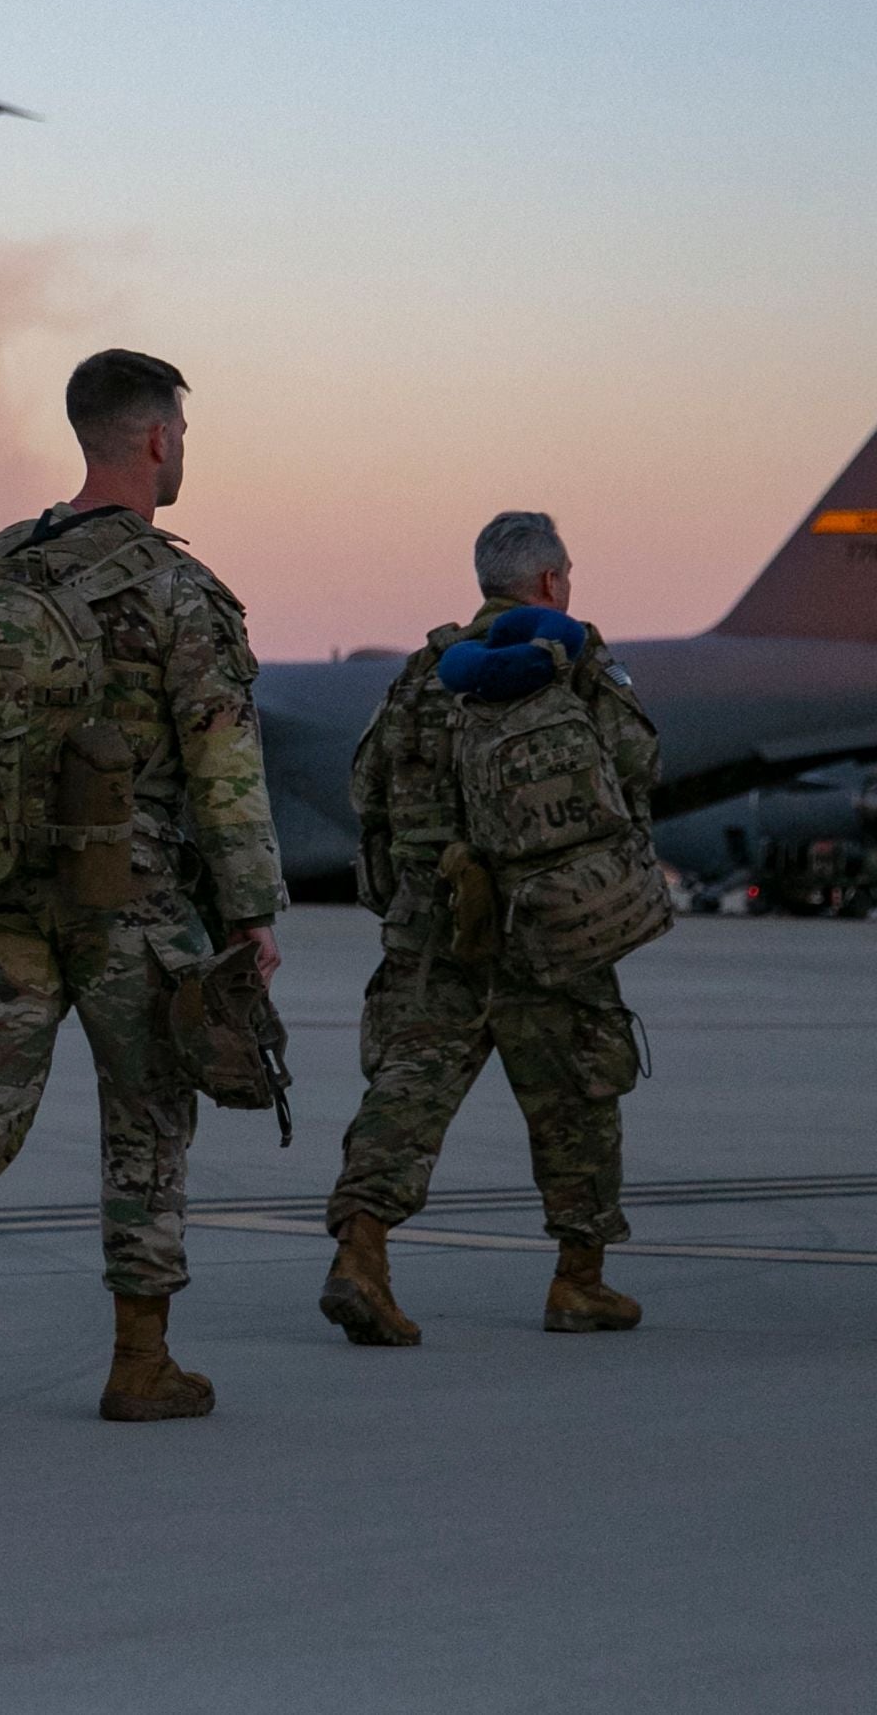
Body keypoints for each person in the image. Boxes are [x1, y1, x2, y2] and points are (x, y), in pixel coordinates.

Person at [0, 349, 288, 1430]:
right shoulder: (177, 588)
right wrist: (253, 910)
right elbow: (223, 765)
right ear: (158, 439)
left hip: (1, 892)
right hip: (132, 893)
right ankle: (142, 1360)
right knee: (151, 1111)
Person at [315, 511, 654, 1347]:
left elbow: (367, 794)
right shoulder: (571, 661)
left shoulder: (423, 673)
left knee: (407, 1092)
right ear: (548, 583)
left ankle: (361, 1255)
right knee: (579, 1095)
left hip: (437, 925)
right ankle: (579, 1282)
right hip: (549, 923)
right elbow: (637, 766)